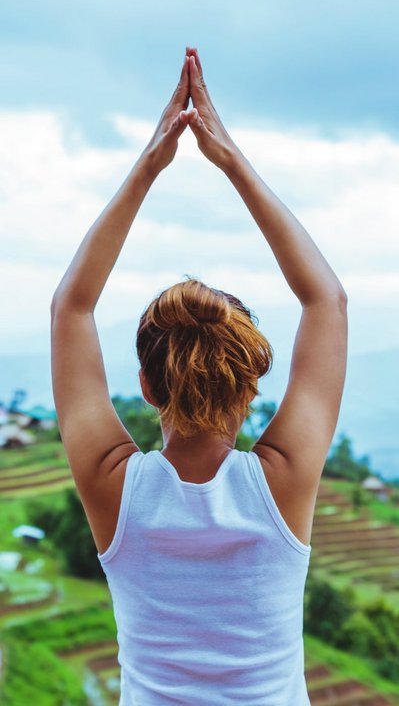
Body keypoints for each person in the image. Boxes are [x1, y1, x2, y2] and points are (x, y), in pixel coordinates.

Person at [51, 46, 348, 705]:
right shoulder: (281, 481)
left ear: (148, 387)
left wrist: (151, 162)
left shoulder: (113, 487)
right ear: (249, 386)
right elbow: (325, 300)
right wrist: (230, 159)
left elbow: (71, 307)